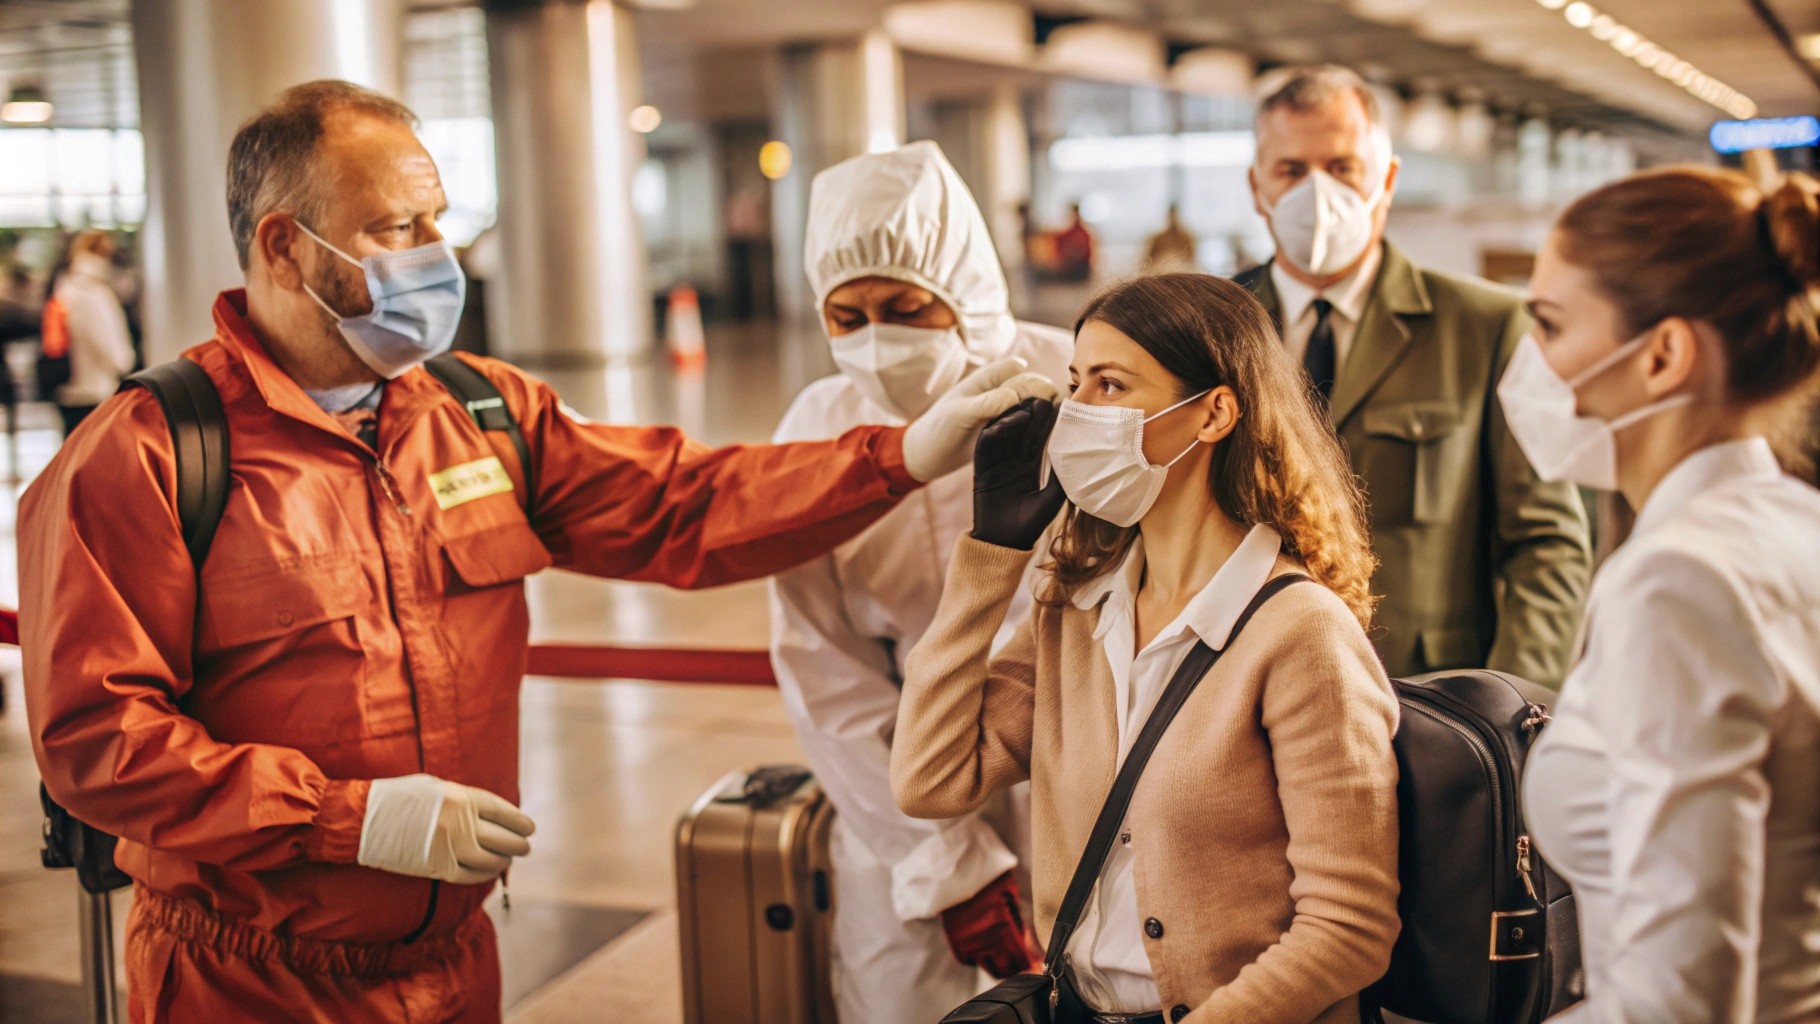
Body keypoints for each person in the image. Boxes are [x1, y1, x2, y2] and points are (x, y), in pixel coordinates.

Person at [18, 81, 1052, 1024]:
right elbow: (95, 738)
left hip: (454, 961)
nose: (438, 253)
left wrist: (897, 457)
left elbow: (683, 502)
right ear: (284, 248)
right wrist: (346, 819)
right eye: (397, 227)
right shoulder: (151, 457)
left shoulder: (476, 415)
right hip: (246, 979)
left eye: (438, 222)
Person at [892, 273, 1401, 1024]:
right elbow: (930, 780)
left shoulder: (1300, 635)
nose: (1076, 412)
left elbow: (1349, 929)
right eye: (1075, 382)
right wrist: (991, 554)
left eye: (1111, 384)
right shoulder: (1076, 610)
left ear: (1214, 413)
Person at [770, 140, 1072, 1024]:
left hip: (1073, 755)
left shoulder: (1073, 385)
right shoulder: (819, 428)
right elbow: (820, 669)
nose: (877, 341)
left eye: (905, 307)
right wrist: (944, 862)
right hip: (892, 791)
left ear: (966, 291)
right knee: (901, 998)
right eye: (847, 316)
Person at [1514, 167, 1820, 1021]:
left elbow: (1677, 998)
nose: (1529, 363)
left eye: (1549, 325)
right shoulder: (1798, 524)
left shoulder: (1676, 583)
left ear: (1661, 355)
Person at [1239, 65, 1591, 685]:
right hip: (1247, 692)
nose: (1317, 193)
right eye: (1292, 171)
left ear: (1388, 179)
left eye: (1343, 167)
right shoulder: (1208, 328)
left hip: (1428, 700)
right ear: (1256, 186)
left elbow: (1547, 544)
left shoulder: (1485, 328)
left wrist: (1509, 710)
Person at [49, 228, 135, 435]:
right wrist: (125, 363)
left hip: (71, 387)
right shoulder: (92, 292)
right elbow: (109, 345)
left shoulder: (66, 287)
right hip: (94, 390)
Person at [1143, 204, 1198, 271]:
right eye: (1171, 215)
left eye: (1175, 215)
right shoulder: (1159, 238)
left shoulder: (1186, 238)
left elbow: (1191, 258)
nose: (1173, 218)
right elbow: (1148, 259)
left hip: (1181, 269)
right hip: (1161, 269)